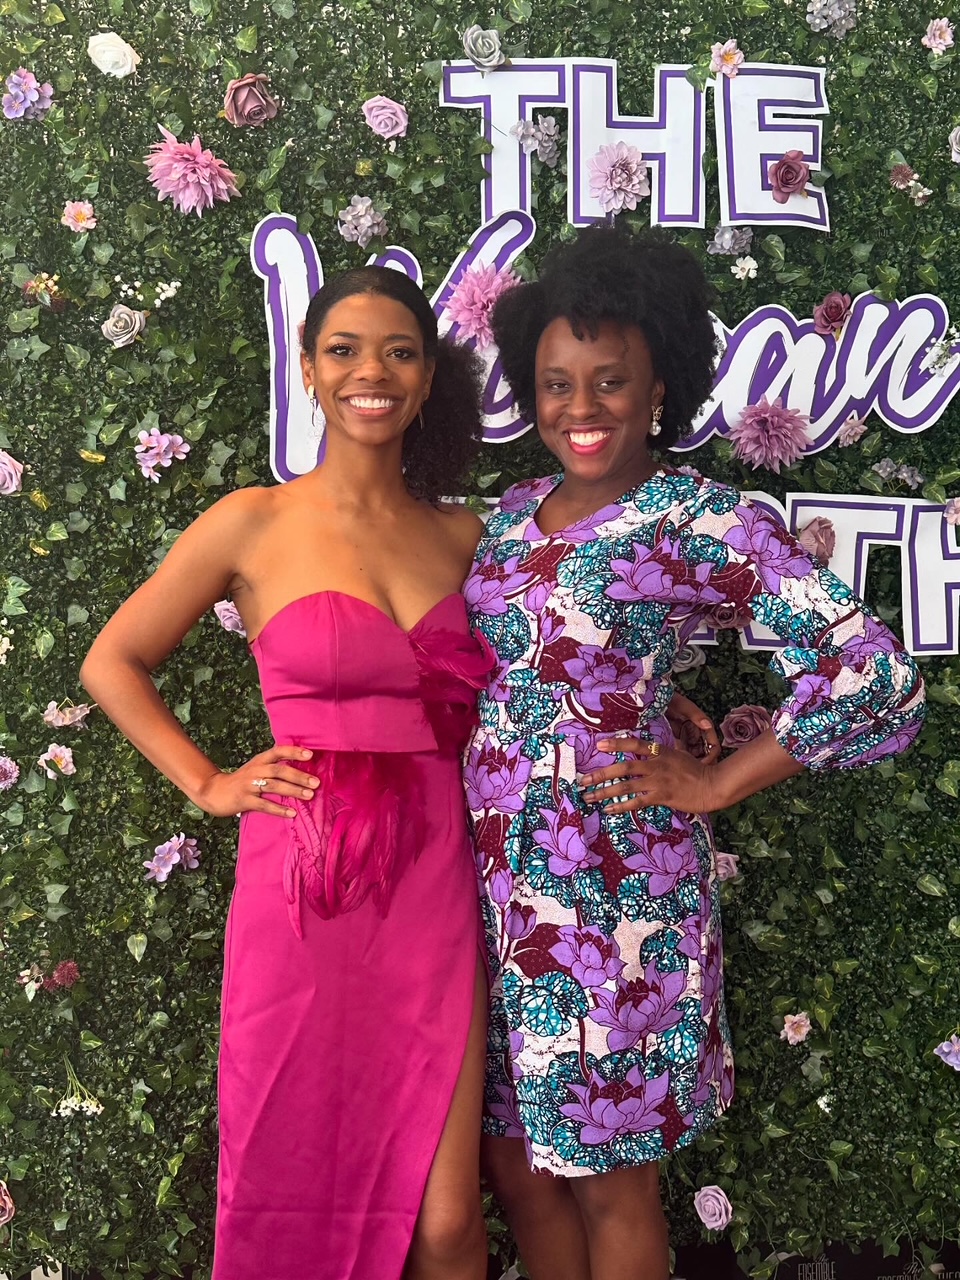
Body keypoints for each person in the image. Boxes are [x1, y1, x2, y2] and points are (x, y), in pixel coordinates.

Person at [462, 223, 926, 1280]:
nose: (581, 407)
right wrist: (649, 693)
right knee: (519, 1168)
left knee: (609, 1175)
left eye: (611, 380)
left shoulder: (696, 518)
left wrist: (716, 780)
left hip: (609, 891)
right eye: (556, 384)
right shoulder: (510, 515)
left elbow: (874, 671)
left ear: (659, 384)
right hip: (488, 889)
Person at [80, 266, 497, 1280]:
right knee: (291, 1169)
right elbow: (112, 660)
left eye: (399, 352)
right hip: (303, 883)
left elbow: (542, 662)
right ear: (307, 369)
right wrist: (209, 782)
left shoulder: (464, 534)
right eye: (344, 349)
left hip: (433, 882)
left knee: (447, 1222)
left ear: (427, 376)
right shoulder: (253, 521)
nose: (371, 372)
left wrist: (648, 701)